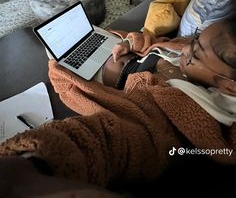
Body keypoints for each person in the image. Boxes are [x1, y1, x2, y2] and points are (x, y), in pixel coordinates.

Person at [1, 19, 236, 195]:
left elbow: (113, 138)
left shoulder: (188, 111)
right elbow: (162, 43)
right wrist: (128, 42)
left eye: (195, 53)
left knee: (56, 59)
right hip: (123, 53)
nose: (186, 49)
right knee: (80, 39)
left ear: (229, 87)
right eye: (195, 38)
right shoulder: (202, 60)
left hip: (98, 78)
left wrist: (34, 159)